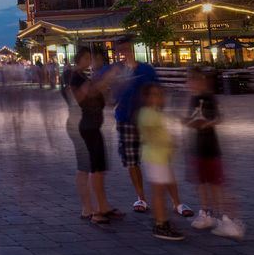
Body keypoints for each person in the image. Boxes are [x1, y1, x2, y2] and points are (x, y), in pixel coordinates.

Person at [107, 36, 192, 217]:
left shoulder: (146, 69)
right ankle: (141, 197)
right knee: (132, 161)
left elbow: (158, 92)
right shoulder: (115, 71)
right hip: (125, 120)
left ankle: (176, 202)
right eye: (121, 51)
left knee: (162, 161)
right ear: (117, 52)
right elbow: (109, 95)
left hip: (148, 122)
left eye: (127, 49)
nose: (124, 54)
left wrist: (158, 113)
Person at [183, 68, 243, 239]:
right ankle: (205, 213)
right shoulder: (194, 98)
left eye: (192, 80)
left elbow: (218, 118)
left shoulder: (209, 98)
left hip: (210, 147)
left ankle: (227, 219)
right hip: (197, 147)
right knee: (201, 182)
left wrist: (206, 124)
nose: (189, 84)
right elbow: (190, 119)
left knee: (216, 184)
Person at [68, 49, 118, 225]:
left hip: (93, 126)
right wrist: (99, 81)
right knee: (91, 168)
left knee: (99, 167)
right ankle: (91, 210)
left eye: (91, 58)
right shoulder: (75, 78)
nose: (89, 61)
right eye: (87, 58)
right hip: (85, 127)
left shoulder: (84, 77)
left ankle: (102, 206)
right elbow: (81, 97)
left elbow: (98, 94)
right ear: (78, 60)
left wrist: (103, 83)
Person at [139, 83, 185, 240]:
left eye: (160, 94)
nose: (160, 97)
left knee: (159, 191)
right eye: (155, 94)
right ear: (147, 98)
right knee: (158, 192)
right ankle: (160, 224)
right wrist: (170, 142)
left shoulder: (153, 113)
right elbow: (152, 135)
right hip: (155, 157)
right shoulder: (148, 114)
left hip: (159, 157)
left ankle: (159, 218)